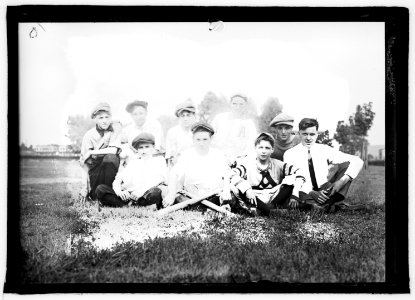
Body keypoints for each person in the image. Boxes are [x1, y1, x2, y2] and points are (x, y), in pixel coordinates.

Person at [284, 118, 364, 212]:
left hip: (325, 190)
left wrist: (341, 181)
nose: (309, 138)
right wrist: (311, 192)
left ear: (317, 134)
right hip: (304, 192)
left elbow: (358, 161)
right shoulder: (290, 154)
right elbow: (291, 180)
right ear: (299, 133)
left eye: (312, 134)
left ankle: (324, 206)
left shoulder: (324, 149)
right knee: (297, 193)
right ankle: (333, 206)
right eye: (305, 134)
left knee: (346, 165)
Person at [229, 132, 306, 216]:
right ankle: (270, 211)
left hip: (274, 197)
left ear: (272, 149)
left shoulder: (278, 164)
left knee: (291, 179)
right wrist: (247, 189)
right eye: (260, 147)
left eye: (267, 148)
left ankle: (265, 210)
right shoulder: (248, 164)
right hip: (254, 197)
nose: (263, 151)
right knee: (236, 187)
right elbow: (231, 173)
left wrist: (295, 193)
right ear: (255, 148)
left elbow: (300, 172)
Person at [162, 121, 232, 210]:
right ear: (193, 139)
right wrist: (171, 195)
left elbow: (226, 175)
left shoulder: (217, 154)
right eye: (198, 140)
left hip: (213, 194)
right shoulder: (187, 155)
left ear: (211, 139)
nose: (201, 143)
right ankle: (205, 208)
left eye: (205, 139)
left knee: (230, 195)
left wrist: (226, 191)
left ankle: (215, 206)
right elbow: (174, 173)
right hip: (192, 195)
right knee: (171, 194)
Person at [95, 132, 168, 208]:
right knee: (100, 189)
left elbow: (159, 179)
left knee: (156, 192)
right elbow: (118, 179)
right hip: (130, 194)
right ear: (137, 149)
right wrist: (119, 191)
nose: (144, 150)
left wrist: (140, 191)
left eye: (147, 147)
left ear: (153, 147)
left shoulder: (159, 160)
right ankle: (128, 204)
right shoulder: (133, 162)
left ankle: (133, 204)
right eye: (141, 147)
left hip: (145, 193)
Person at [80, 102, 123, 201]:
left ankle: (111, 192)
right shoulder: (89, 135)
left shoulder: (115, 128)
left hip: (112, 169)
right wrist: (85, 188)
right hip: (96, 170)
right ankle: (100, 194)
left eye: (107, 117)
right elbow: (85, 165)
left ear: (111, 117)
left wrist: (91, 152)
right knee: (96, 196)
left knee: (110, 158)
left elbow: (113, 150)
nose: (105, 121)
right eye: (101, 118)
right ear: (95, 119)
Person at [211, 93, 258, 165]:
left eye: (241, 104)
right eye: (234, 103)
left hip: (239, 161)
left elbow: (251, 147)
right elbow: (209, 138)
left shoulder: (249, 124)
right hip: (218, 159)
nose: (237, 107)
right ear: (230, 104)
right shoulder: (219, 118)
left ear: (245, 106)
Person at [122, 100, 164, 164]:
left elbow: (157, 147)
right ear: (131, 115)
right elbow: (125, 148)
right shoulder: (127, 130)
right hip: (134, 159)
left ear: (146, 113)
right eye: (135, 114)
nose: (138, 117)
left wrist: (144, 156)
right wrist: (133, 157)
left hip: (153, 158)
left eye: (141, 113)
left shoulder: (155, 126)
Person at [165, 99, 198, 167]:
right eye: (183, 116)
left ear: (194, 116)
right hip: (179, 166)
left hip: (197, 165)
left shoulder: (199, 131)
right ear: (179, 117)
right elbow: (170, 158)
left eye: (188, 115)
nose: (185, 118)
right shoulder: (173, 132)